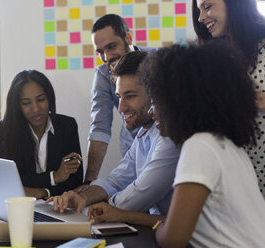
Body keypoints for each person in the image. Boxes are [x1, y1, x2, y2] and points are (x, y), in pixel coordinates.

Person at [89, 42, 265, 247]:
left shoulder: (199, 147)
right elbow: (181, 225)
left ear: (182, 101)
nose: (151, 111)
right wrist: (123, 214)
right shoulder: (221, 141)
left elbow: (172, 238)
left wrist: (132, 217)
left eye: (157, 101)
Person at [47, 51, 180, 216]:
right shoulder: (144, 133)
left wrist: (99, 203)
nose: (121, 108)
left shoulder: (169, 137)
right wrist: (83, 197)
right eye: (119, 97)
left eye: (130, 96)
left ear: (155, 94)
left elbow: (136, 198)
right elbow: (116, 181)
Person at [192, 0, 265, 197]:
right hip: (239, 179)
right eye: (199, 10)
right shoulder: (216, 55)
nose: (200, 17)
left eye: (207, 7)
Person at [84, 14, 152, 187]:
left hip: (164, 145)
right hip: (132, 151)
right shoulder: (102, 74)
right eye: (100, 52)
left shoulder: (157, 61)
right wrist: (89, 182)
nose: (107, 57)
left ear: (128, 38)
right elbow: (100, 126)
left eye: (111, 47)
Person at [0, 70, 83, 199]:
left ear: (49, 98)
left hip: (58, 206)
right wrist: (55, 177)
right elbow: (7, 181)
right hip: (19, 206)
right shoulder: (4, 129)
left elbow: (75, 180)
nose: (35, 109)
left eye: (41, 99)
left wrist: (43, 192)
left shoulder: (67, 126)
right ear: (17, 105)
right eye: (26, 103)